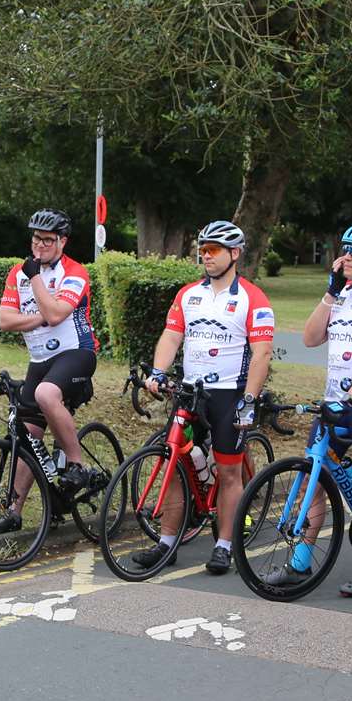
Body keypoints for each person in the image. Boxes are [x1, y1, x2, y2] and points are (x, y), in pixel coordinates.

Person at [262, 220, 352, 597]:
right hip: (335, 400)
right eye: (343, 251)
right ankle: (300, 564)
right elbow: (312, 338)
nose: (345, 259)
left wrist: (350, 399)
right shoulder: (344, 292)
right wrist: (329, 294)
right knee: (315, 478)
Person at [134, 220, 276, 575]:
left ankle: (225, 544)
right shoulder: (188, 294)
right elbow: (170, 337)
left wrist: (249, 398)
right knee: (171, 462)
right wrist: (158, 372)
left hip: (230, 394)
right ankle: (167, 543)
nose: (206, 256)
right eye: (203, 249)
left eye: (213, 250)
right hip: (190, 391)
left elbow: (261, 354)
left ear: (235, 254)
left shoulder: (252, 298)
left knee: (229, 472)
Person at [0, 209, 100, 534]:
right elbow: (6, 320)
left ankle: (78, 465)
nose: (39, 247)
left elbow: (56, 313)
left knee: (46, 394)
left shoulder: (75, 273)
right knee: (26, 435)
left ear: (62, 241)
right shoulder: (16, 273)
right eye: (36, 239)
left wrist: (35, 278)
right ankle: (14, 511)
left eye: (48, 240)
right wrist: (40, 317)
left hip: (76, 354)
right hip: (40, 360)